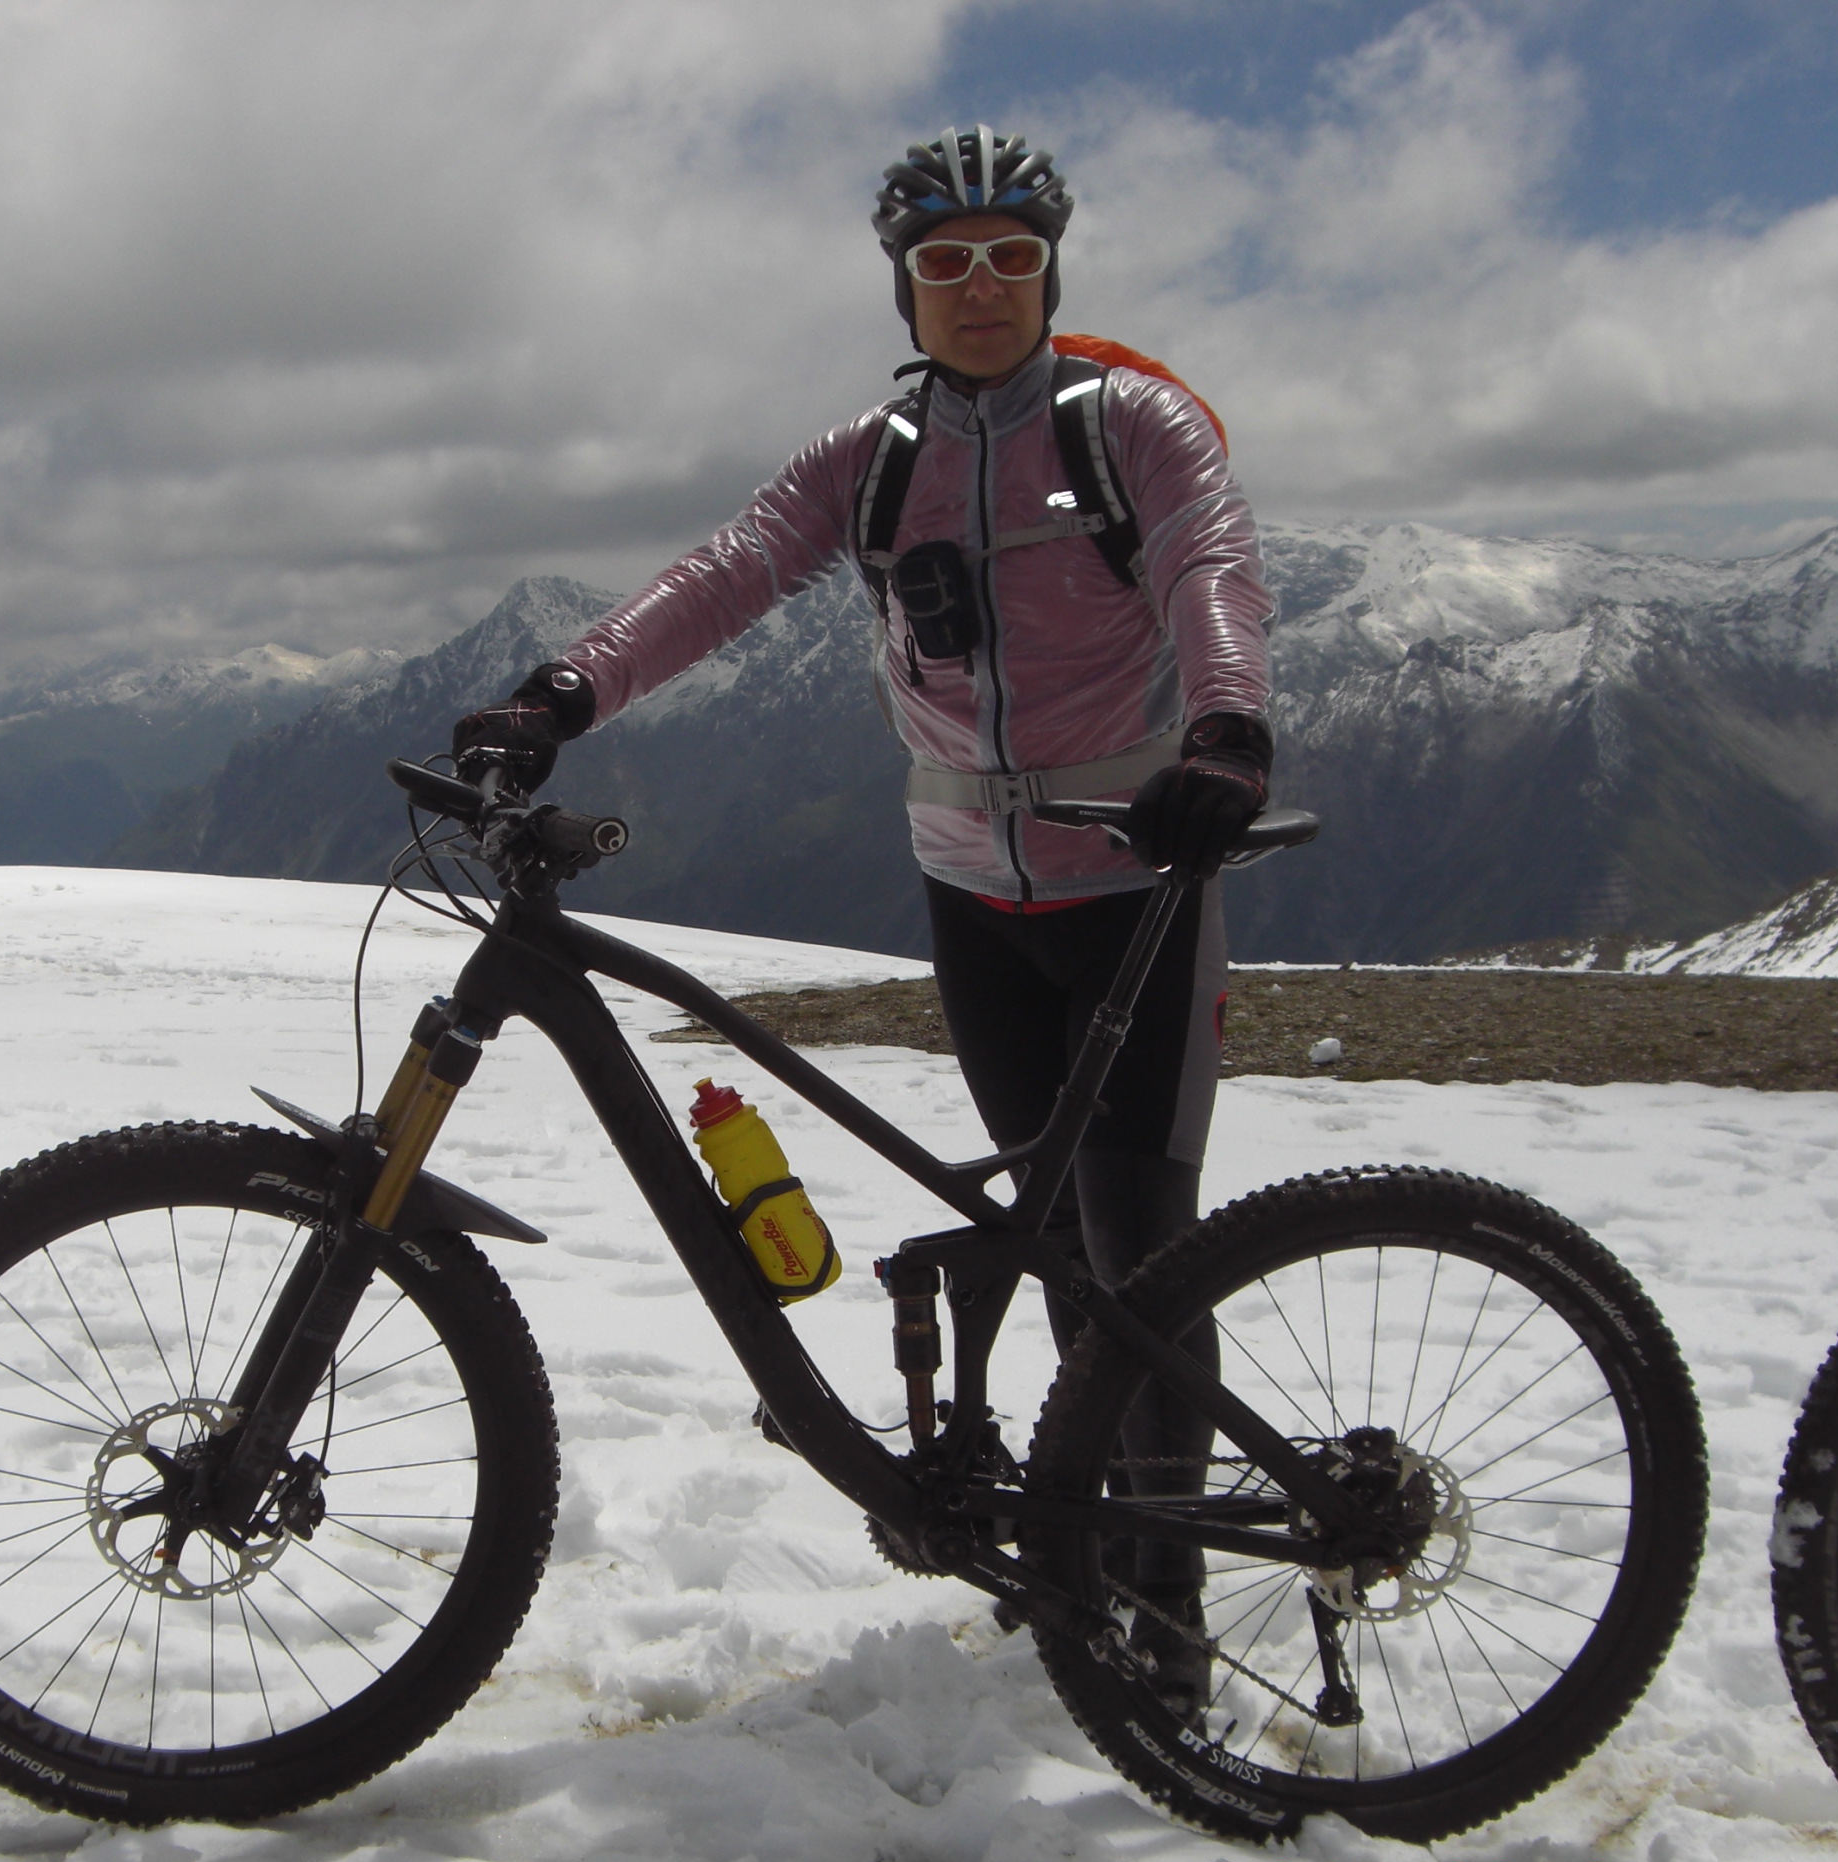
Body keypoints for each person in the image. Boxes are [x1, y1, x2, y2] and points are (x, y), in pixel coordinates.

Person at [454, 125, 1275, 1714]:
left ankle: (1166, 1623)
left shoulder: (1133, 429)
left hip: (1131, 892)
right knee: (1056, 1242)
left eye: (1012, 257)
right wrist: (563, 693)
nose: (981, 287)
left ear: (1053, 272)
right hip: (972, 896)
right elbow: (730, 571)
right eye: (946, 262)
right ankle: (1090, 1551)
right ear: (904, 288)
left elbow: (1211, 565)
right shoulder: (873, 459)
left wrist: (1228, 728)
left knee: (1139, 1257)